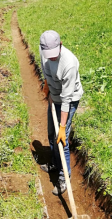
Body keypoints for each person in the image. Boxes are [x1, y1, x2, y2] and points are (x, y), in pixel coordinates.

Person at [39, 30, 84, 196]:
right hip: (54, 96)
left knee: (61, 139)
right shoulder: (43, 50)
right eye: (47, 54)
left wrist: (63, 127)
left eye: (54, 54)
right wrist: (47, 86)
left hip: (68, 101)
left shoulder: (69, 64)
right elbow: (45, 68)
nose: (51, 58)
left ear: (61, 45)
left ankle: (64, 176)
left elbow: (66, 100)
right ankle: (54, 163)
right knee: (51, 134)